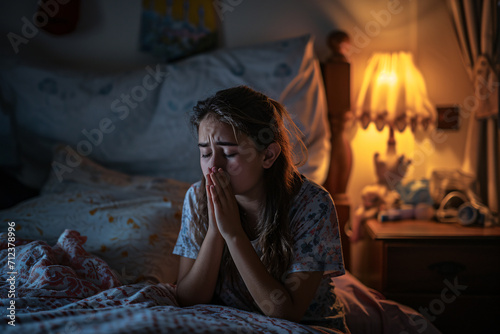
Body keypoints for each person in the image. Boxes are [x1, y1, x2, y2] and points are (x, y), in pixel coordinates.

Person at [173, 85, 348, 331]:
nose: (213, 166)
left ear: (268, 155)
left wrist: (233, 234)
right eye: (205, 153)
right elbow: (188, 299)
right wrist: (215, 231)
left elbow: (285, 313)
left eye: (229, 153)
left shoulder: (312, 205)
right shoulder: (196, 197)